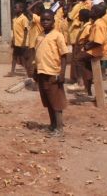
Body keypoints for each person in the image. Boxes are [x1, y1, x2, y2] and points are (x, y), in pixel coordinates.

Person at [33, 9, 70, 137]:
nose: (45, 22)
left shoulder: (57, 36)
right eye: (43, 19)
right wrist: (35, 70)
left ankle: (59, 128)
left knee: (56, 102)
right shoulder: (39, 36)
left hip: (53, 72)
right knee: (48, 101)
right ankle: (52, 125)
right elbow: (37, 54)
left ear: (53, 21)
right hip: (42, 72)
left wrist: (62, 73)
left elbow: (64, 55)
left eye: (48, 19)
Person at [83, 4, 107, 99]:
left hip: (98, 50)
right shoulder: (96, 22)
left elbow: (98, 42)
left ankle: (86, 86)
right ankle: (88, 89)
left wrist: (87, 46)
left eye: (93, 10)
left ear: (97, 13)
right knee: (87, 66)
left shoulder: (99, 24)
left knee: (79, 59)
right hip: (95, 48)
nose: (90, 12)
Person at [10, 2, 30, 77]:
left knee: (24, 58)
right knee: (14, 57)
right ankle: (12, 72)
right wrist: (13, 40)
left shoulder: (24, 18)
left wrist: (24, 42)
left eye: (16, 7)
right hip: (16, 42)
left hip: (22, 42)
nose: (14, 9)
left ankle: (27, 73)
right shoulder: (15, 19)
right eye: (14, 7)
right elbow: (15, 32)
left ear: (21, 9)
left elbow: (25, 30)